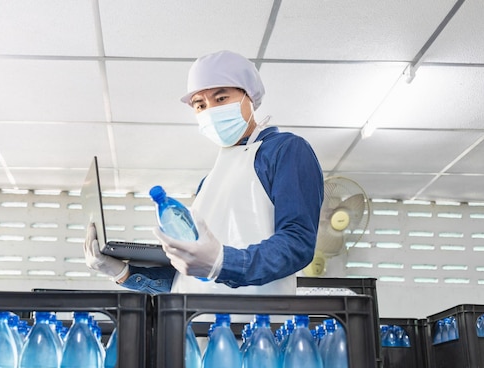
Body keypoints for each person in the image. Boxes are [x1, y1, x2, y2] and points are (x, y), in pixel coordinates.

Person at [84, 50, 324, 295]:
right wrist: (121, 271)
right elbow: (191, 276)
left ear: (249, 97)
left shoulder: (284, 150)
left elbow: (297, 243)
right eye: (200, 104)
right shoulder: (207, 184)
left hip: (255, 325)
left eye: (221, 99)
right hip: (195, 323)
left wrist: (223, 263)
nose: (210, 110)